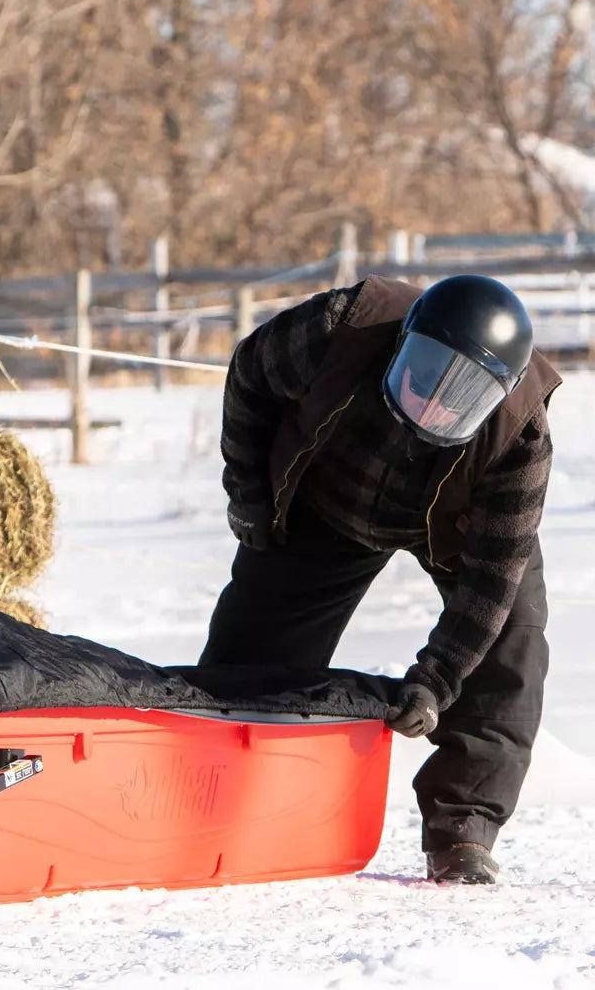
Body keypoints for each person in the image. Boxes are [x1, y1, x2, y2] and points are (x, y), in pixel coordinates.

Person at [201, 273, 560, 885]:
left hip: (453, 524)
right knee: (253, 648)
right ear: (403, 340)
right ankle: (220, 795)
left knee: (511, 643)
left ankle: (463, 832)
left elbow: (490, 585)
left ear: (496, 396)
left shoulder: (518, 438)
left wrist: (436, 681)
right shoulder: (338, 328)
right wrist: (251, 494)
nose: (435, 402)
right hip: (328, 499)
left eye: (465, 393)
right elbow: (250, 374)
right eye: (425, 371)